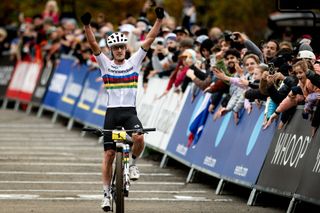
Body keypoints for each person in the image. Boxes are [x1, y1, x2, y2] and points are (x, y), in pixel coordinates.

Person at [80, 7, 164, 212]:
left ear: (126, 49)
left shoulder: (134, 62)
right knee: (108, 154)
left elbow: (150, 38)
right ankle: (106, 194)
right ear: (111, 50)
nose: (119, 50)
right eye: (115, 48)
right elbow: (92, 43)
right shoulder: (105, 65)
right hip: (112, 113)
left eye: (121, 47)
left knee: (139, 138)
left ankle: (133, 163)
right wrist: (86, 26)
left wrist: (159, 20)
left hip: (129, 113)